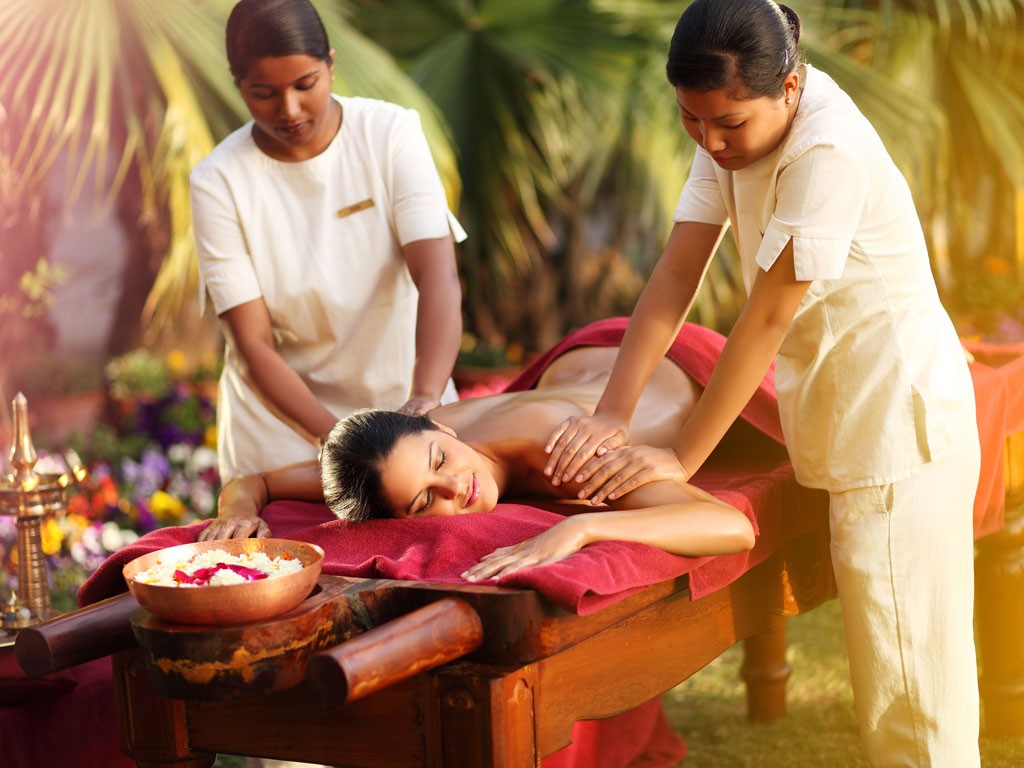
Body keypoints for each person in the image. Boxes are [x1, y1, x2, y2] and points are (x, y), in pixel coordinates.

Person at [542, 1, 981, 765]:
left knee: (913, 699)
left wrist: (679, 458)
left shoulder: (826, 152)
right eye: (690, 120)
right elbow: (678, 272)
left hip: (897, 422)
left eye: (728, 125)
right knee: (902, 686)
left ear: (788, 88)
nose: (710, 142)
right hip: (845, 405)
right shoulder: (728, 125)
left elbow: (765, 321)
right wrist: (612, 413)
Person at [202, 342, 756, 582]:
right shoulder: (397, 456)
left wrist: (583, 527)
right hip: (579, 372)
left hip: (667, 363)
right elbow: (254, 480)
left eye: (440, 457)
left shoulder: (564, 454)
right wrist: (237, 511)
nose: (455, 486)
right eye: (424, 500)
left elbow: (731, 527)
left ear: (440, 425)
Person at [191, 0, 464, 484]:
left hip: (406, 416)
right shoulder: (218, 181)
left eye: (305, 85)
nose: (290, 110)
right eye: (264, 93)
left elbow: (437, 275)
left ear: (331, 65)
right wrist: (337, 443)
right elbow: (251, 341)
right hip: (282, 433)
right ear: (239, 87)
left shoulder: (390, 133)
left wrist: (425, 397)